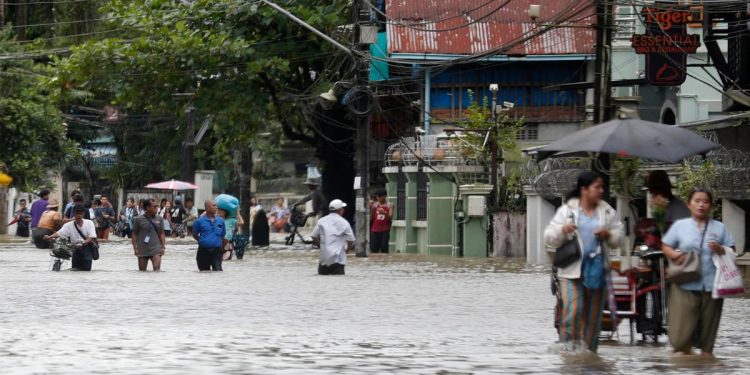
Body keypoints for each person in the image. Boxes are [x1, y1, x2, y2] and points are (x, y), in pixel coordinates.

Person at [544, 171, 625, 353]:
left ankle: (589, 355)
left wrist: (609, 234)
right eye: (597, 187)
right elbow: (549, 237)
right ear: (584, 189)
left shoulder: (607, 212)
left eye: (602, 187)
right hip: (571, 271)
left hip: (597, 271)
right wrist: (563, 230)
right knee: (574, 309)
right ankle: (568, 349)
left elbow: (620, 238)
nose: (601, 191)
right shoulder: (567, 212)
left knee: (593, 317)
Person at [661, 188, 735, 357]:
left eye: (705, 201)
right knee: (680, 340)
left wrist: (720, 249)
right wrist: (675, 255)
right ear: (689, 204)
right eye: (697, 201)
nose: (701, 205)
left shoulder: (720, 227)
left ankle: (704, 365)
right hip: (685, 283)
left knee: (707, 340)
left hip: (712, 286)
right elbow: (665, 245)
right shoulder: (680, 226)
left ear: (711, 206)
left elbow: (732, 250)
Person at [44, 204, 97, 271]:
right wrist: (49, 237)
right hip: (75, 249)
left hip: (87, 248)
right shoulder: (68, 225)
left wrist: (83, 243)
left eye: (81, 213)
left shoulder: (89, 223)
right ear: (74, 214)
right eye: (77, 213)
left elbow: (91, 237)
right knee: (75, 269)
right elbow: (59, 233)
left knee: (86, 270)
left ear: (83, 214)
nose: (79, 215)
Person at [311, 199, 355, 275]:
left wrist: (321, 247)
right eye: (343, 208)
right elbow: (350, 240)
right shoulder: (344, 222)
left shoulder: (321, 221)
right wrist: (347, 250)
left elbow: (314, 236)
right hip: (338, 261)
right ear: (340, 210)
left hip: (323, 261)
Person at [132, 198, 166, 271]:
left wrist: (163, 247)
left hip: (156, 249)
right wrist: (135, 248)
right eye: (154, 207)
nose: (156, 209)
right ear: (147, 208)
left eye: (157, 207)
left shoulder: (159, 219)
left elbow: (162, 233)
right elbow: (134, 234)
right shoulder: (138, 219)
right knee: (142, 272)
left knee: (157, 270)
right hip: (142, 250)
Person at [192, 200, 226, 271]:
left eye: (216, 206)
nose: (216, 207)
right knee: (204, 272)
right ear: (207, 208)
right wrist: (203, 241)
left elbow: (222, 235)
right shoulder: (199, 221)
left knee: (218, 271)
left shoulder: (221, 221)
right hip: (203, 251)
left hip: (216, 251)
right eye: (213, 206)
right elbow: (195, 234)